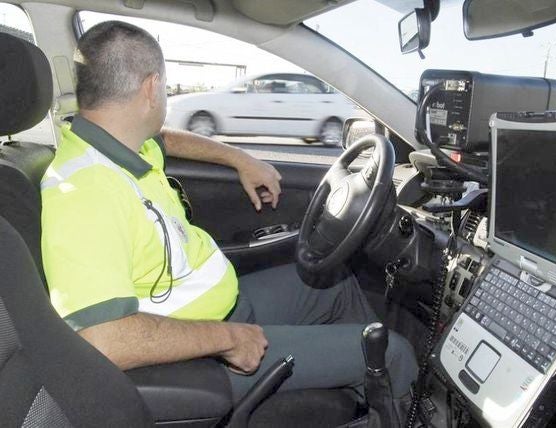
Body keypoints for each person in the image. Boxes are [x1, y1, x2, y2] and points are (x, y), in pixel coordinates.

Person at [41, 20, 417, 405]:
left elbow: (166, 138)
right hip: (197, 360)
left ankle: (357, 400)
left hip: (220, 309)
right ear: (152, 88)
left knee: (336, 285)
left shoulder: (121, 144)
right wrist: (227, 339)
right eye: (165, 86)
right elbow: (103, 339)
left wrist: (238, 158)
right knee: (393, 353)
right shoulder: (83, 191)